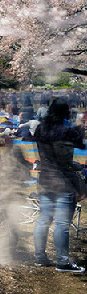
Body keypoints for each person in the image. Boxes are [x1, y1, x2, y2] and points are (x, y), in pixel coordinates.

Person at [33, 97, 85, 273]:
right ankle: (62, 262)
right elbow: (75, 149)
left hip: (45, 179)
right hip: (63, 182)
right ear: (65, 111)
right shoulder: (67, 131)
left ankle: (40, 257)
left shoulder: (41, 128)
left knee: (43, 220)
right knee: (62, 224)